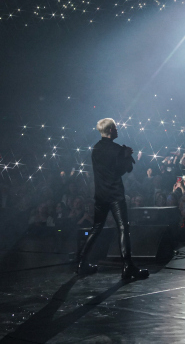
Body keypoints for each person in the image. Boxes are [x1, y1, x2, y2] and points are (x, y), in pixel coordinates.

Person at [76, 118, 148, 280]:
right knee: (123, 228)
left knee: (96, 228)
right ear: (110, 130)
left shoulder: (95, 148)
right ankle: (128, 267)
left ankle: (81, 263)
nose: (117, 129)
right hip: (115, 194)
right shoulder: (117, 149)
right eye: (115, 128)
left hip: (101, 194)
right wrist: (127, 156)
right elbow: (124, 170)